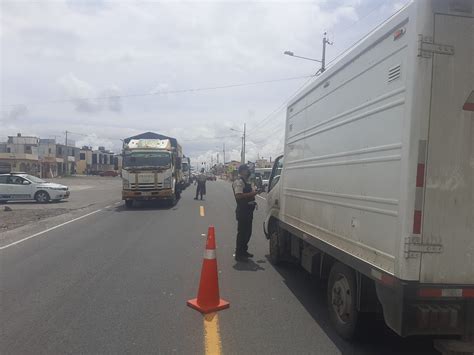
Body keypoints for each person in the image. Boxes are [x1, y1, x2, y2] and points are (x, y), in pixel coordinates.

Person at [232, 164, 258, 262]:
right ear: (242, 171)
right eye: (247, 170)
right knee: (242, 233)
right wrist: (252, 193)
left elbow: (249, 193)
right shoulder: (239, 182)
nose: (248, 171)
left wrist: (256, 191)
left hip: (248, 210)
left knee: (248, 233)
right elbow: (238, 196)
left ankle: (244, 251)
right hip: (242, 211)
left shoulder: (246, 182)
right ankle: (239, 254)